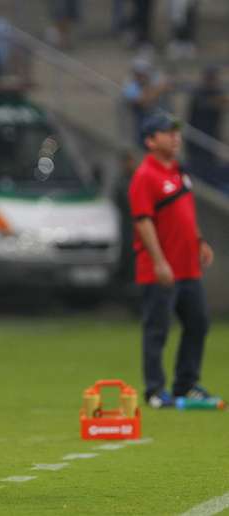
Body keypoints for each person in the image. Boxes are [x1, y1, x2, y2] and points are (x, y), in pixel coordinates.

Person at [128, 113, 219, 408]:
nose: (175, 137)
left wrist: (199, 241)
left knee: (198, 323)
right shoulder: (145, 176)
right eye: (167, 133)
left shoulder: (178, 172)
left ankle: (185, 384)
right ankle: (155, 390)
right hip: (161, 269)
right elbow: (143, 222)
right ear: (150, 141)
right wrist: (159, 261)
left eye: (176, 132)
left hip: (187, 266)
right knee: (158, 329)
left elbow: (184, 212)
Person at [186, 66, 228, 189]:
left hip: (210, 140)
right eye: (209, 78)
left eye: (213, 78)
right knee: (198, 172)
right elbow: (212, 102)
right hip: (196, 141)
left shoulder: (216, 91)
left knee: (210, 172)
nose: (212, 81)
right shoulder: (199, 93)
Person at [122, 56, 171, 146]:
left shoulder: (154, 81)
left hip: (159, 125)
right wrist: (157, 90)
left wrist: (155, 90)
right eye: (139, 73)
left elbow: (167, 86)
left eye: (144, 72)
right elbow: (143, 102)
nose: (142, 76)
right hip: (142, 126)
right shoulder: (130, 85)